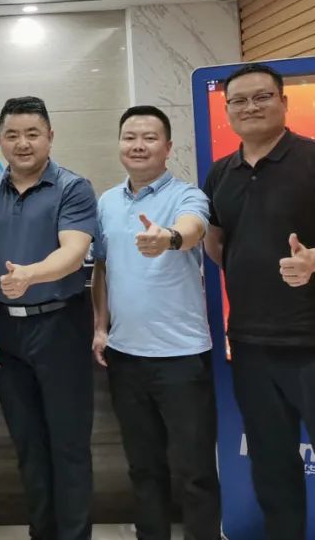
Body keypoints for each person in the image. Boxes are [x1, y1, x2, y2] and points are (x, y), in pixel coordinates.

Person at [203, 63, 315, 540]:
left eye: (262, 97)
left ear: (283, 102)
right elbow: (217, 244)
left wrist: (314, 260)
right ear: (227, 111)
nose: (250, 107)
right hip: (251, 345)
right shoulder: (220, 173)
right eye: (239, 101)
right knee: (271, 469)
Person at [0, 96, 98, 540]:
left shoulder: (73, 187)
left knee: (69, 445)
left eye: (32, 134)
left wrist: (31, 275)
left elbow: (74, 251)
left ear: (50, 137)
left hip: (61, 324)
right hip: (5, 331)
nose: (22, 143)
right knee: (28, 445)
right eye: (12, 135)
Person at [92, 105, 220, 540]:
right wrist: (100, 326)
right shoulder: (107, 201)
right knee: (143, 468)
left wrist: (168, 238)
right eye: (130, 137)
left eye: (149, 138)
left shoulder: (188, 195)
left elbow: (192, 228)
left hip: (182, 358)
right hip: (125, 358)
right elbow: (103, 269)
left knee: (195, 470)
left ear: (168, 147)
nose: (138, 145)